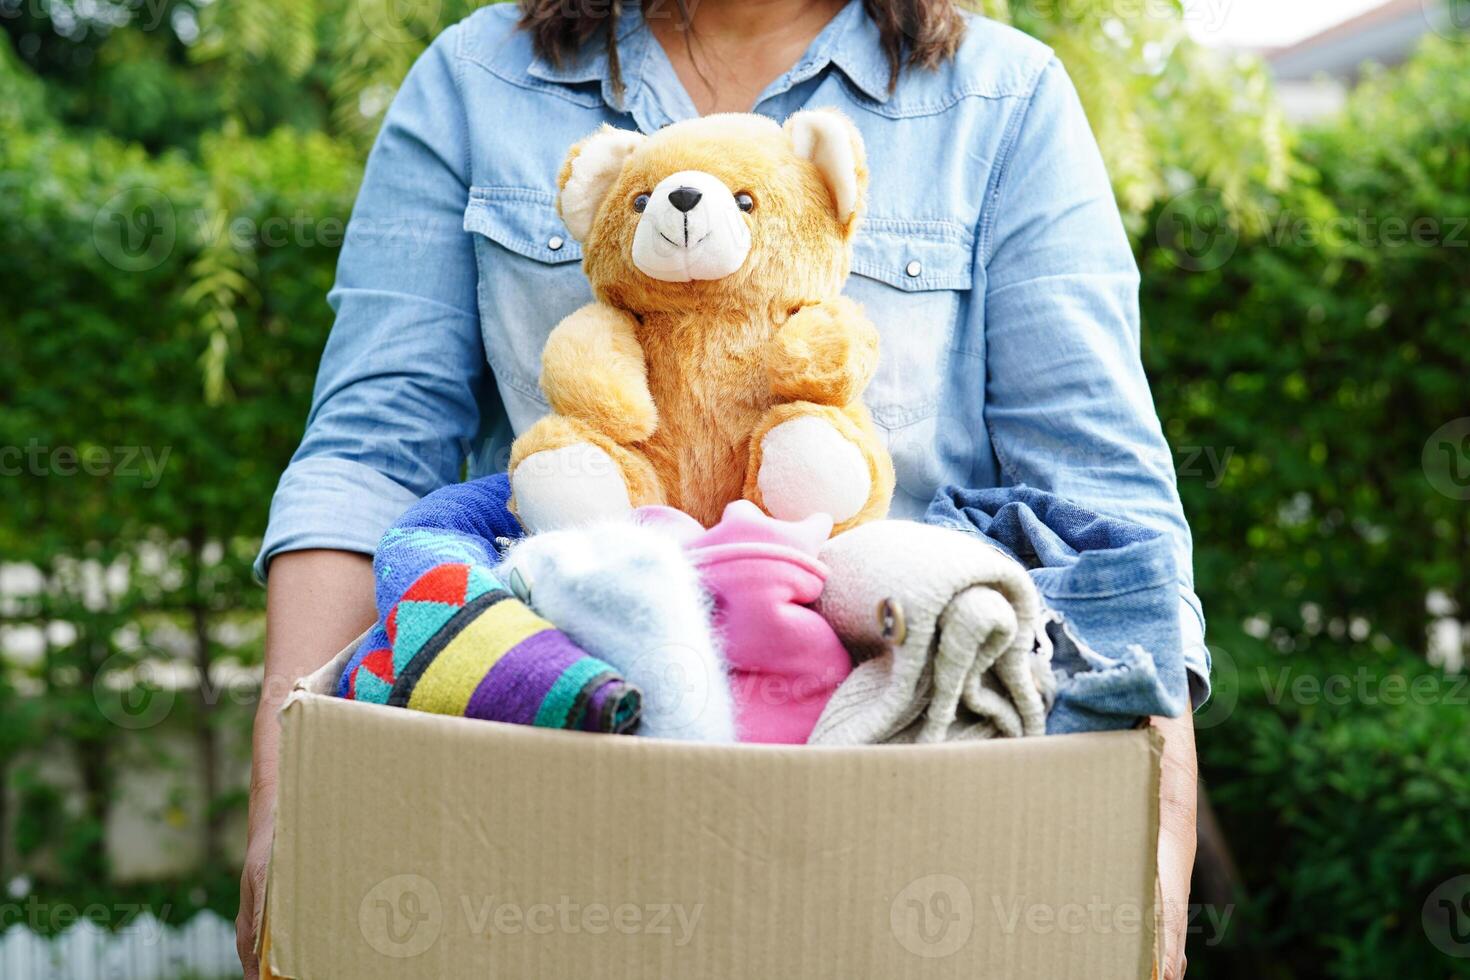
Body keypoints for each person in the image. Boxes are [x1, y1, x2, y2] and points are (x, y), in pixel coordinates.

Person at [237, 1, 1207, 976]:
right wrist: (294, 786)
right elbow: (371, 453)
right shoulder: (480, 80)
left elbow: (1096, 491)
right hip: (544, 792)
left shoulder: (1002, 99)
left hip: (903, 816)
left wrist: (1148, 849)